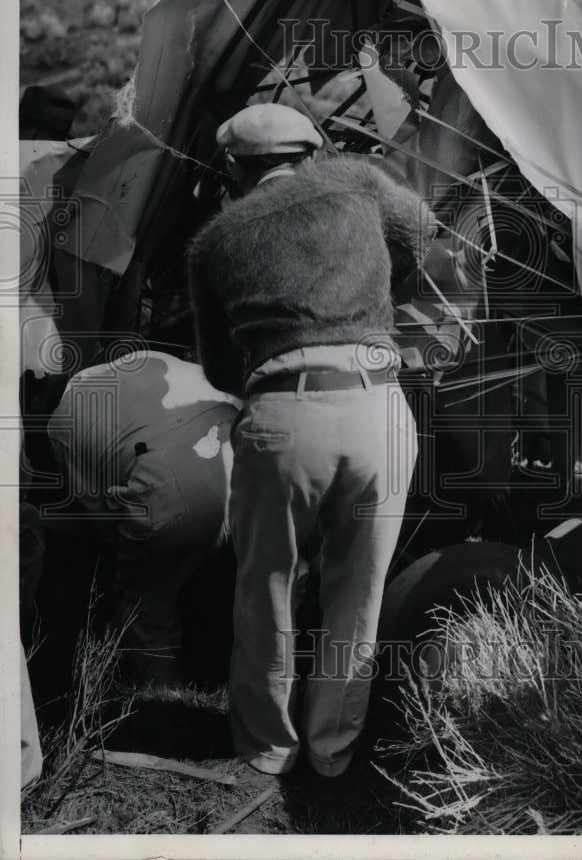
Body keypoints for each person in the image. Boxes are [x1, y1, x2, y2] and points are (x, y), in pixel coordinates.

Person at [188, 103, 431, 777]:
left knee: (264, 582)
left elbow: (217, 369)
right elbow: (420, 233)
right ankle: (332, 752)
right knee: (360, 588)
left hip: (283, 413)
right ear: (313, 150)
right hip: (377, 404)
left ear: (232, 168)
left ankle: (267, 748)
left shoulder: (213, 242)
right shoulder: (358, 183)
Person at [47, 350, 240, 683]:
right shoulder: (156, 359)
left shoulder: (60, 420)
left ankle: (165, 707)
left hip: (166, 485)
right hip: (236, 452)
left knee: (144, 609)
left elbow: (105, 516)